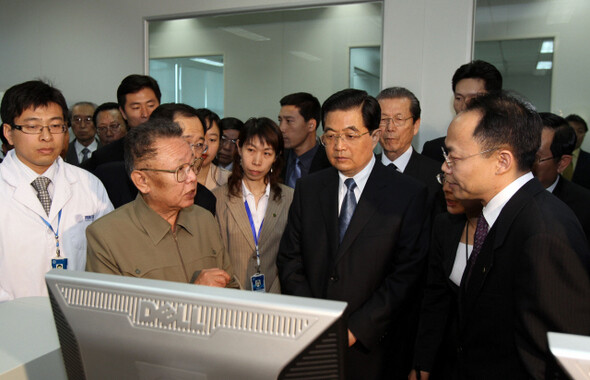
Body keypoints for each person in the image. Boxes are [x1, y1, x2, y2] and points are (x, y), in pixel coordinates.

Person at [434, 91, 590, 379]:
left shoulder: (544, 232)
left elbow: (565, 360)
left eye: (454, 156)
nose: (445, 167)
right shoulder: (500, 214)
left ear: (502, 161)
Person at [277, 89, 430, 379]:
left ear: (374, 136)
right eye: (331, 135)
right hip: (311, 339)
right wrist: (314, 320)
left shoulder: (407, 193)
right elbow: (290, 258)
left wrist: (356, 329)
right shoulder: (310, 188)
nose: (338, 146)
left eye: (350, 135)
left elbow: (406, 274)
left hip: (374, 349)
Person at [86, 119, 237, 288]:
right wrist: (194, 295)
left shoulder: (204, 219)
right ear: (142, 181)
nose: (192, 178)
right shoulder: (106, 236)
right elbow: (111, 312)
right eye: (180, 170)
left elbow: (231, 288)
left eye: (192, 165)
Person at [0, 80, 113, 302]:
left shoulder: (89, 184)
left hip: (78, 317)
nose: (46, 136)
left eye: (55, 126)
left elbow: (108, 254)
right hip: (10, 320)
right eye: (32, 127)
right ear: (9, 133)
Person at [411, 172, 482, 380]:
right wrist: (422, 364)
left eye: (456, 182)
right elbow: (435, 301)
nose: (446, 188)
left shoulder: (509, 229)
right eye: (444, 180)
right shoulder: (444, 225)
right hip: (448, 361)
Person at [213, 118, 293, 293]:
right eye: (251, 150)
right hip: (230, 295)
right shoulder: (218, 198)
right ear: (239, 148)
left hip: (277, 296)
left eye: (267, 153)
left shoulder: (290, 198)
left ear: (276, 156)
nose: (257, 161)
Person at [93, 103, 217, 215]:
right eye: (185, 142)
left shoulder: (204, 200)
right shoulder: (109, 180)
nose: (193, 153)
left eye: (199, 144)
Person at [376, 87, 445, 215]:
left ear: (415, 125)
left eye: (399, 119)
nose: (390, 127)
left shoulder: (437, 176)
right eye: (383, 119)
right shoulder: (364, 169)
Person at [421, 60, 503, 163]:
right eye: (459, 98)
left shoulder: (509, 147)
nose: (464, 105)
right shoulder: (435, 150)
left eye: (474, 99)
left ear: (495, 101)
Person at [81, 74, 161, 171]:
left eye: (151, 105)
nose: (145, 114)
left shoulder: (178, 146)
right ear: (123, 113)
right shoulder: (104, 157)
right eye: (136, 107)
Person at [532, 112, 590, 239]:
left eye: (535, 158)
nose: (522, 164)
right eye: (520, 154)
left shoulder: (583, 207)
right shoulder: (498, 194)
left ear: (562, 164)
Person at [278, 92, 331, 188]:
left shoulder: (330, 163)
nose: (282, 128)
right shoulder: (276, 159)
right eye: (280, 120)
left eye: (289, 121)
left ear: (311, 125)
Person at [195, 108, 230, 190]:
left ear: (220, 143)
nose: (204, 146)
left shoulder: (228, 180)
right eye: (200, 138)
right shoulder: (173, 176)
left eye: (212, 139)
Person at [65, 101, 100, 166]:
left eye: (88, 119)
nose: (82, 125)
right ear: (70, 122)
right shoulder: (62, 152)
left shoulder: (107, 152)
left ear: (97, 122)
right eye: (77, 119)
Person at [563, 114, 590, 189]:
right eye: (571, 130)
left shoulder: (588, 160)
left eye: (580, 131)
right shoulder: (551, 155)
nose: (575, 134)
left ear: (584, 135)